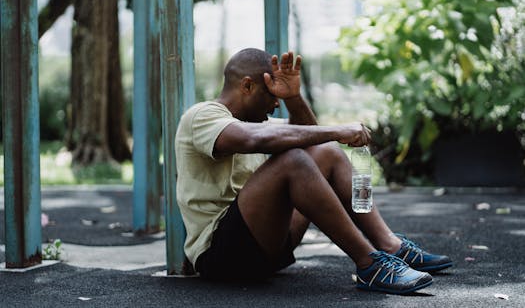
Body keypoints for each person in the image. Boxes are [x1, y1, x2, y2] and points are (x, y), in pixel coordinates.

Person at [175, 48, 452, 294]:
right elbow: (252, 139)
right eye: (272, 95)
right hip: (222, 256)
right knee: (294, 161)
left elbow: (308, 136)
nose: (275, 104)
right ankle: (370, 264)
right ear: (247, 86)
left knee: (326, 153)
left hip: (268, 246)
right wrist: (339, 129)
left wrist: (294, 98)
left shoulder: (257, 122)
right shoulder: (202, 116)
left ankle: (391, 245)